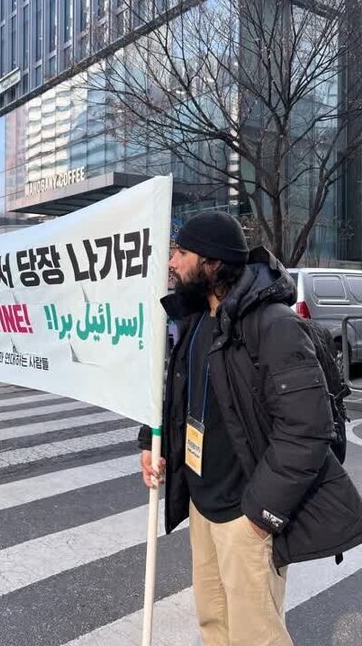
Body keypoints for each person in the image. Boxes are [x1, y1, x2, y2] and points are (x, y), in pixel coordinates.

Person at [138, 211, 362, 646]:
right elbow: (176, 394)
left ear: (213, 263)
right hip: (204, 504)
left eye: (181, 252)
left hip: (246, 513)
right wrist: (153, 441)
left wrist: (261, 515)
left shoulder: (273, 325)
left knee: (255, 637)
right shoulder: (196, 317)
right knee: (214, 625)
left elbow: (307, 429)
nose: (171, 261)